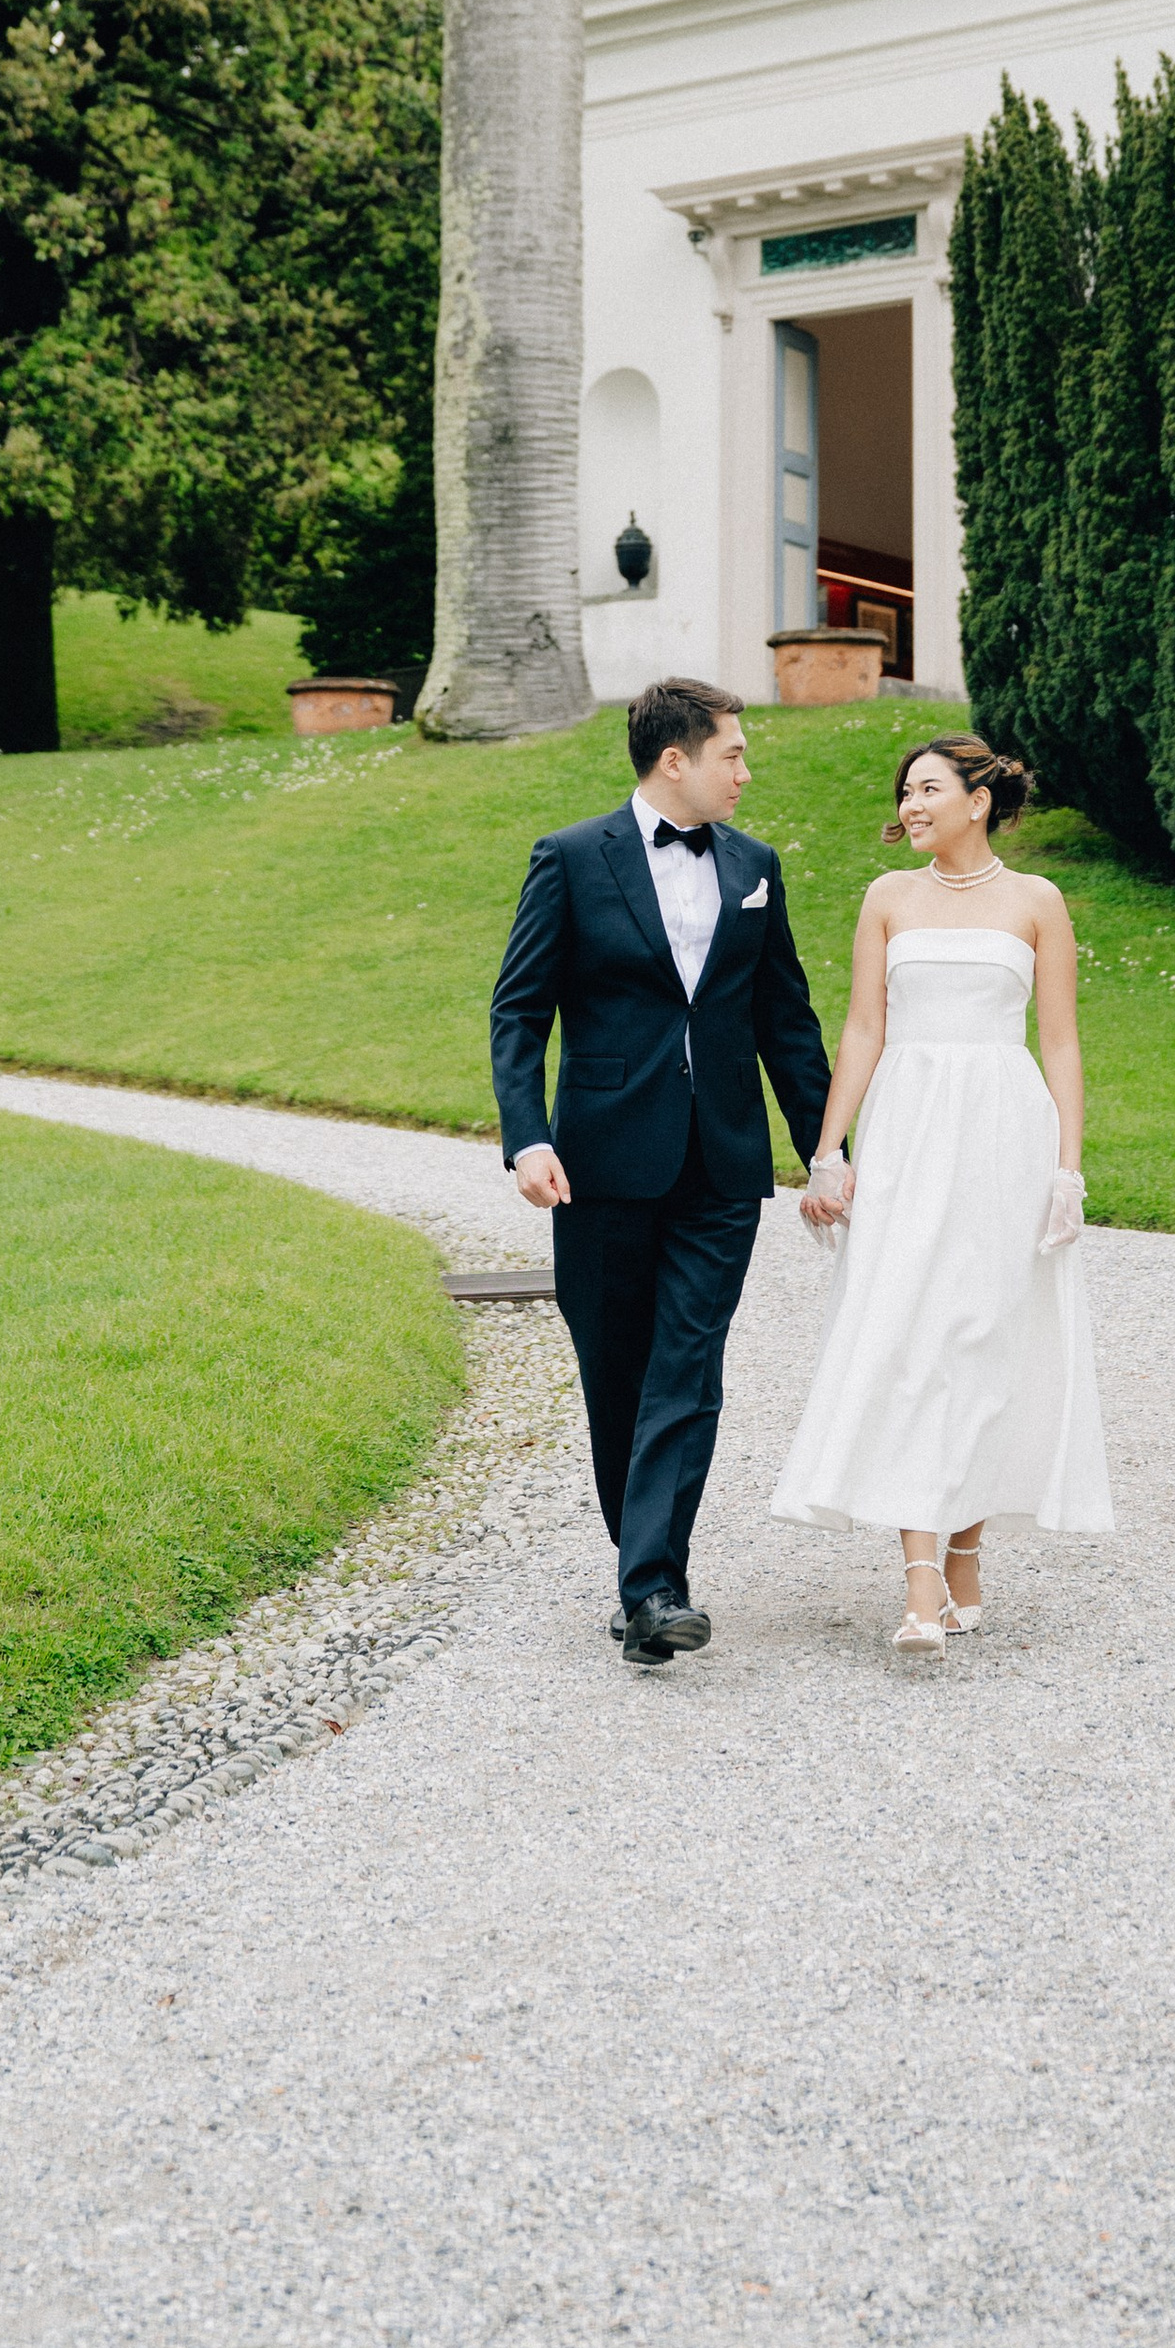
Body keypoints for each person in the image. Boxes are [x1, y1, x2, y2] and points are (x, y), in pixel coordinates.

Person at [491, 677, 832, 1667]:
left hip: (722, 1161)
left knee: (688, 1366)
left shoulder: (755, 866)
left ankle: (653, 1585)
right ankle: (643, 1562)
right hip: (597, 1158)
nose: (745, 770)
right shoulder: (568, 858)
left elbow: (786, 1023)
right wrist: (526, 1135)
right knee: (615, 1368)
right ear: (673, 759)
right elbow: (519, 1010)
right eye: (732, 752)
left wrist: (827, 1149)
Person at [770, 734, 1112, 1648]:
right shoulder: (890, 898)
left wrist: (1068, 1169)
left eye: (928, 789)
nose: (912, 804)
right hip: (911, 1130)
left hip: (1006, 1131)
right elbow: (863, 1029)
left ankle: (965, 1550)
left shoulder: (1038, 902)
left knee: (984, 1334)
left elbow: (1064, 1044)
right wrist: (829, 1150)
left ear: (979, 800)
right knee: (910, 1333)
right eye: (905, 792)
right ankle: (922, 1583)